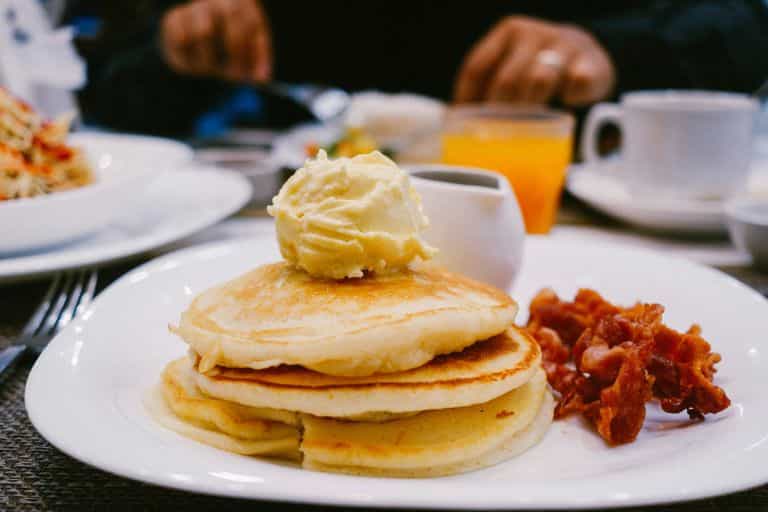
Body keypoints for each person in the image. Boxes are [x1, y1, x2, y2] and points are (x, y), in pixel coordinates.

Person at [66, 1, 768, 136]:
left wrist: (618, 51)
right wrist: (176, 44)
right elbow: (107, 97)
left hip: (575, 202)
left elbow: (747, 26)